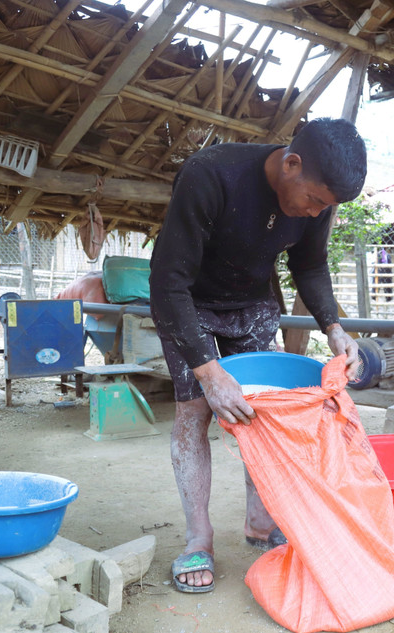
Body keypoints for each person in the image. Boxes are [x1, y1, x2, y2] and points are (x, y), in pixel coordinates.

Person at [149, 118, 365, 593]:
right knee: (194, 412)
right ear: (292, 164)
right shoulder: (210, 175)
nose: (313, 213)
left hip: (251, 303)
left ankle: (260, 521)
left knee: (260, 412)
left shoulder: (317, 199)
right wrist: (208, 372)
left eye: (323, 207)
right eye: (313, 201)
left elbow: (309, 264)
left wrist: (333, 327)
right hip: (189, 304)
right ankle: (198, 539)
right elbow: (167, 284)